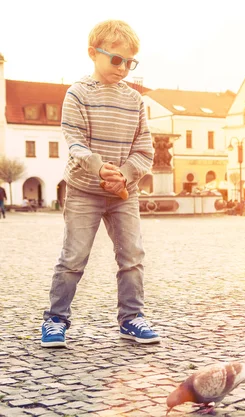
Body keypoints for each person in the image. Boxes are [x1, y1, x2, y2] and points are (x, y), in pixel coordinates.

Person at [41, 20, 159, 348]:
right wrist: (99, 167)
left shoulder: (135, 101)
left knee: (131, 255)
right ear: (94, 54)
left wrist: (125, 173)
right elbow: (74, 141)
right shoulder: (77, 93)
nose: (123, 68)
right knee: (74, 257)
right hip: (84, 191)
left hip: (124, 194)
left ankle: (131, 317)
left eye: (129, 62)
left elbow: (144, 148)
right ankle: (55, 319)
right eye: (116, 60)